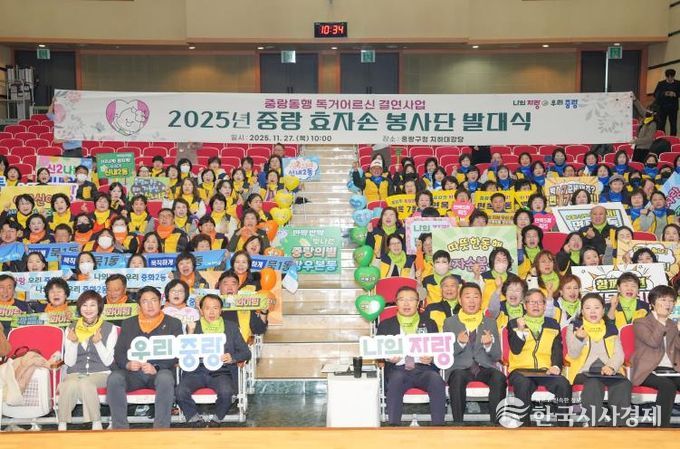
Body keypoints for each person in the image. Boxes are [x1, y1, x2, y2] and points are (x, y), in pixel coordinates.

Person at [107, 286, 183, 429]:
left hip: (159, 373)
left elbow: (177, 353)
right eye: (145, 301)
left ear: (160, 302)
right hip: (133, 374)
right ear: (139, 305)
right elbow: (119, 352)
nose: (150, 305)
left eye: (153, 300)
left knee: (166, 378)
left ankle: (161, 428)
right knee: (115, 378)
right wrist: (128, 364)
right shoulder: (128, 323)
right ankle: (120, 429)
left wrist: (156, 367)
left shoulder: (173, 323)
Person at [176, 293, 251, 426]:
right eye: (207, 308)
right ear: (201, 310)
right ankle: (193, 418)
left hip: (221, 371)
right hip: (196, 371)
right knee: (180, 391)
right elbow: (182, 353)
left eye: (215, 308)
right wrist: (190, 333)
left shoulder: (231, 327)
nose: (211, 312)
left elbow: (246, 352)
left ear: (221, 310)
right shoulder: (193, 326)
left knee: (226, 392)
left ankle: (217, 418)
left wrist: (232, 358)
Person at [377, 286, 445, 426]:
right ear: (396, 302)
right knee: (396, 379)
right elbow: (378, 352)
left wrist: (432, 357)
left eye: (411, 300)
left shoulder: (429, 323)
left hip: (424, 369)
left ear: (418, 303)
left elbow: (439, 350)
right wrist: (387, 358)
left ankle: (439, 427)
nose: (406, 304)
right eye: (402, 300)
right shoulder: (385, 325)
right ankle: (394, 425)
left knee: (436, 379)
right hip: (398, 369)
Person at [507, 289, 571, 426]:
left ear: (544, 305)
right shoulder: (514, 323)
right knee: (524, 384)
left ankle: (564, 427)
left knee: (563, 384)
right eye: (531, 302)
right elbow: (516, 349)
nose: (536, 305)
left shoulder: (553, 324)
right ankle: (524, 428)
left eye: (540, 302)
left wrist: (556, 366)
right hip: (520, 371)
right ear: (525, 305)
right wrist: (520, 330)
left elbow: (557, 350)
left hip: (545, 371)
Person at [444, 283, 505, 424]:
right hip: (460, 368)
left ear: (481, 300)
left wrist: (488, 345)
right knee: (457, 378)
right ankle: (458, 423)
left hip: (484, 367)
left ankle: (496, 424)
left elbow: (496, 356)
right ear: (460, 300)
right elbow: (446, 355)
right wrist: (459, 343)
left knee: (499, 378)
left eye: (476, 297)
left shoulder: (490, 322)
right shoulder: (450, 322)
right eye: (467, 297)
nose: (472, 301)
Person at [565, 293, 631, 426]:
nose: (593, 311)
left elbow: (619, 354)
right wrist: (579, 338)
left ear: (603, 310)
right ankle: (596, 425)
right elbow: (573, 354)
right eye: (588, 308)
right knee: (593, 383)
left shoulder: (611, 328)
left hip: (608, 371)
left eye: (597, 307)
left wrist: (611, 367)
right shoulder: (575, 326)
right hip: (583, 372)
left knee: (624, 384)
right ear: (582, 311)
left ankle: (621, 426)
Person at [58, 290, 117, 431]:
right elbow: (69, 363)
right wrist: (73, 343)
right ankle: (62, 424)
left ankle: (96, 422)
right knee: (67, 384)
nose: (88, 309)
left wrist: (98, 343)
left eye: (92, 305)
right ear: (79, 308)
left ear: (99, 307)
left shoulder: (110, 328)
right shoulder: (71, 328)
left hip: (101, 373)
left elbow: (108, 361)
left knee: (85, 382)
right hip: (75, 372)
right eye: (84, 305)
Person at [631, 285, 680, 427]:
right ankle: (661, 427)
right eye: (663, 300)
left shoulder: (672, 324)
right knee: (668, 386)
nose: (668, 304)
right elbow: (653, 342)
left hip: (671, 370)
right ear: (652, 303)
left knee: (669, 383)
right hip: (648, 371)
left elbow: (677, 347)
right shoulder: (640, 322)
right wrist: (661, 320)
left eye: (671, 301)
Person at [654, 69, 680, 136]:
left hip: (673, 108)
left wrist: (675, 94)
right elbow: (655, 94)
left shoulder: (678, 83)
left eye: (672, 77)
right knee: (661, 125)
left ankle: (672, 139)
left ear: (674, 76)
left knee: (673, 125)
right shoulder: (661, 83)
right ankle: (662, 139)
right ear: (666, 76)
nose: (670, 79)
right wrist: (664, 93)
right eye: (668, 77)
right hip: (662, 108)